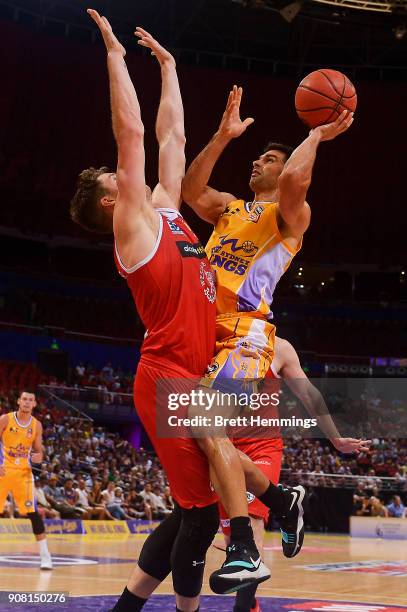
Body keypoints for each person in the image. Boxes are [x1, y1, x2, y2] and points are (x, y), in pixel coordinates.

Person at [71, 11, 269, 610]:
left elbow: (170, 140)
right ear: (111, 200)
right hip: (164, 376)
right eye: (116, 178)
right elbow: (131, 133)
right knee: (201, 512)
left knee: (197, 508)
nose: (125, 174)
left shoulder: (162, 206)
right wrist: (114, 56)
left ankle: (280, 508)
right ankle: (258, 533)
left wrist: (170, 68)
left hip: (193, 371)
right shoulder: (132, 226)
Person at [181, 85, 354, 578]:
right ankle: (282, 500)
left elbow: (298, 179)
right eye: (257, 156)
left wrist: (316, 133)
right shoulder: (231, 208)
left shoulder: (289, 217)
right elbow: (191, 191)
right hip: (202, 332)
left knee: (204, 422)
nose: (258, 162)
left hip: (247, 335)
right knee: (200, 436)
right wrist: (220, 137)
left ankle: (244, 546)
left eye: (269, 158)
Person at [217, 336, 371, 612]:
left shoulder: (279, 347)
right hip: (224, 447)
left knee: (252, 524)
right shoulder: (215, 338)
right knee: (232, 541)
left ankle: (242, 609)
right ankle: (251, 601)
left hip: (262, 447)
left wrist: (335, 439)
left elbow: (310, 395)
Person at [0, 390, 53, 569]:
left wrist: (39, 456)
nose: (27, 402)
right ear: (18, 401)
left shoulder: (37, 425)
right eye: (24, 399)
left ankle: (46, 557)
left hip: (24, 473)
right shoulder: (5, 419)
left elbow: (38, 449)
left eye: (31, 400)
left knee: (33, 513)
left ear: (35, 404)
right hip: (3, 471)